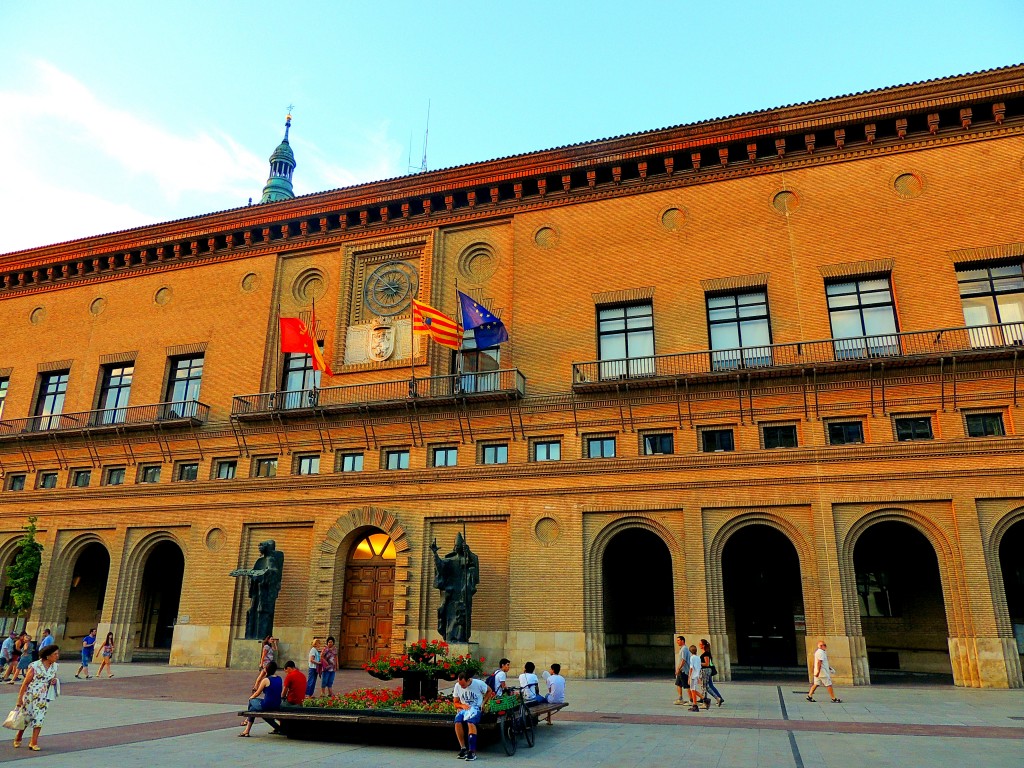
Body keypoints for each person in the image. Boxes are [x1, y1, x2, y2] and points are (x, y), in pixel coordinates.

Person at [14, 643, 60, 751]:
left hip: (44, 697)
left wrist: (54, 680)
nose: (57, 656)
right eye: (55, 654)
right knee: (26, 718)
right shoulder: (35, 666)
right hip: (30, 695)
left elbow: (53, 677)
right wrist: (19, 699)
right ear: (48, 656)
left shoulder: (55, 666)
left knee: (39, 718)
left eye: (58, 654)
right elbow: (25, 683)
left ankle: (33, 742)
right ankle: (19, 736)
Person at [453, 670, 493, 761]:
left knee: (470, 721)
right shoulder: (457, 686)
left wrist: (483, 703)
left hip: (475, 708)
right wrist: (462, 705)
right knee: (457, 721)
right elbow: (455, 702)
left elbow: (489, 690)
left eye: (463, 685)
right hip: (464, 709)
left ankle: (472, 751)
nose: (461, 687)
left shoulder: (478, 683)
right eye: (460, 684)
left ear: (468, 680)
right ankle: (463, 748)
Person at [240, 661, 282, 736]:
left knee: (252, 702)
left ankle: (246, 726)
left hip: (267, 705)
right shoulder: (279, 678)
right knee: (253, 709)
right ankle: (247, 730)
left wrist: (251, 698)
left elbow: (257, 693)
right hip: (277, 704)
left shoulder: (266, 680)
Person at [698, 638, 724, 708]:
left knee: (705, 687)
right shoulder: (705, 653)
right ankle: (706, 699)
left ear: (703, 645)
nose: (699, 645)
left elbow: (707, 664)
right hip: (706, 670)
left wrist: (698, 663)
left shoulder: (706, 653)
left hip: (705, 670)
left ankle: (713, 699)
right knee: (707, 686)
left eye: (700, 644)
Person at [673, 635, 691, 705]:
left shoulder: (684, 649)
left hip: (684, 670)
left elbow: (683, 660)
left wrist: (678, 668)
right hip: (681, 670)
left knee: (687, 686)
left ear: (682, 641)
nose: (677, 642)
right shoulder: (682, 649)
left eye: (678, 640)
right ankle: (680, 698)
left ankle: (691, 700)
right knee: (678, 684)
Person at [687, 644, 702, 711]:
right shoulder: (698, 658)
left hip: (693, 676)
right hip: (697, 675)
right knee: (693, 689)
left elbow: (691, 668)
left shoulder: (692, 658)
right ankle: (697, 702)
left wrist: (689, 677)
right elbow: (699, 667)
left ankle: (695, 705)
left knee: (692, 690)